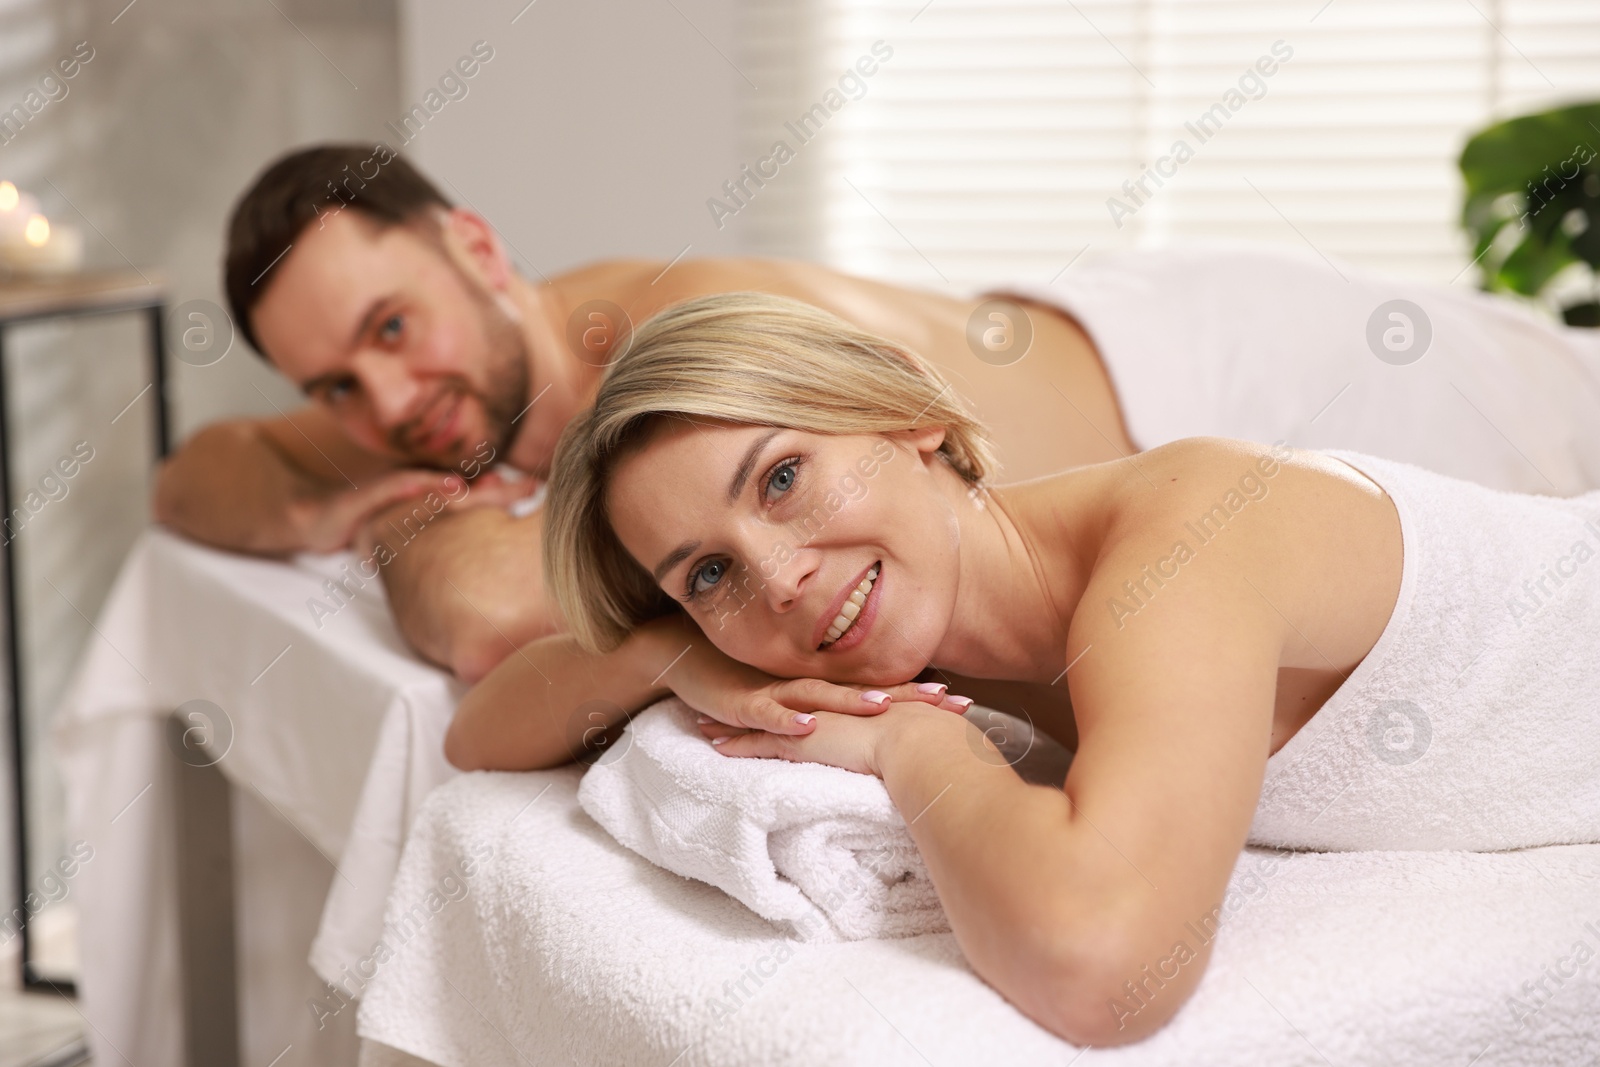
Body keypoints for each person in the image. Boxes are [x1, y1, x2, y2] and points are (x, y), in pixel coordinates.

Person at [444, 292, 1600, 1046]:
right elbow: (481, 730)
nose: (778, 578)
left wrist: (917, 745)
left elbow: (1105, 968)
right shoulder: (891, 619)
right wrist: (667, 657)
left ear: (905, 417)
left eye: (783, 478)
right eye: (705, 572)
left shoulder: (1188, 533)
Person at [156, 143, 1600, 681]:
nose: (388, 403)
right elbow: (189, 476)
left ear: (479, 247)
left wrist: (392, 517)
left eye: (390, 330)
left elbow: (483, 612)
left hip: (1258, 372)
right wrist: (320, 474)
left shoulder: (671, 331)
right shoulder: (459, 406)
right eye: (332, 386)